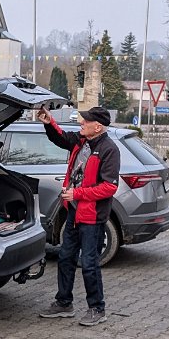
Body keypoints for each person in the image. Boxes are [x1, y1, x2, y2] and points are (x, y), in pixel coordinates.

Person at [36, 105, 121, 326]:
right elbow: (61, 138)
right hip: (73, 212)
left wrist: (78, 193)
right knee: (65, 258)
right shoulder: (82, 141)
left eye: (86, 121)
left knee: (90, 263)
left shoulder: (109, 150)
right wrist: (49, 122)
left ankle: (97, 308)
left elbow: (109, 187)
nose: (81, 123)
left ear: (98, 126)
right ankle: (64, 303)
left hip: (92, 217)